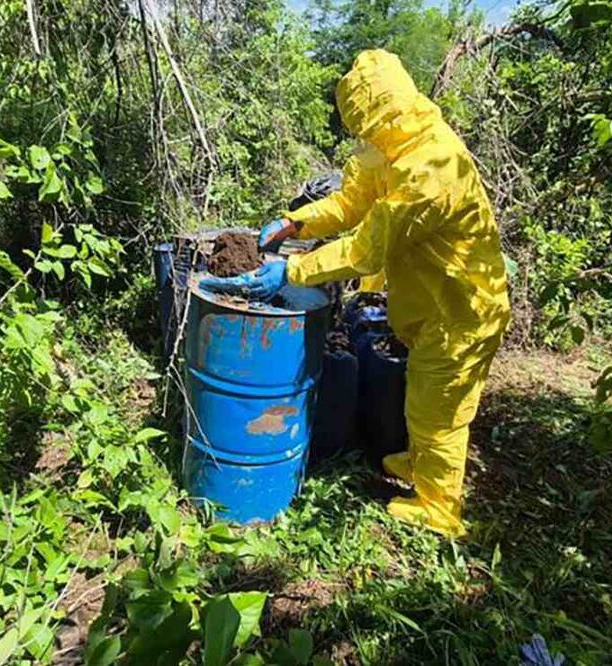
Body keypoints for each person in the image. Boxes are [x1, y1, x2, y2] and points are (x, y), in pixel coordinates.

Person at [201, 49, 511, 537]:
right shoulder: (390, 147)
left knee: (441, 411)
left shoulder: (432, 165)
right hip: (433, 303)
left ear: (389, 111)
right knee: (423, 400)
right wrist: (294, 222)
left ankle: (440, 510)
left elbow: (369, 247)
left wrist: (293, 272)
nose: (364, 136)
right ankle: (420, 463)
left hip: (462, 308)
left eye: (369, 125)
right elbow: (351, 201)